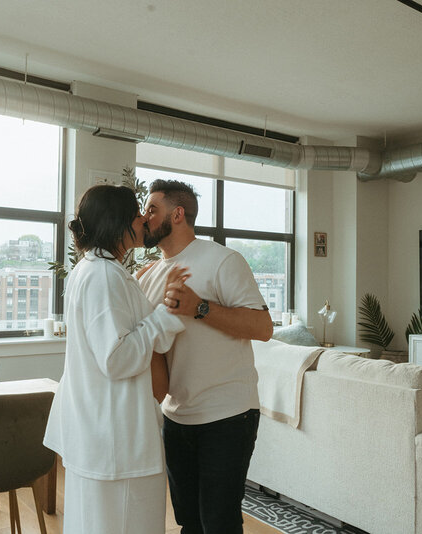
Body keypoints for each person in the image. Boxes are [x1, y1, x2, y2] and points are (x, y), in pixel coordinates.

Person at [43, 184, 189, 534]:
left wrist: (162, 311)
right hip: (114, 438)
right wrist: (166, 314)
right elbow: (117, 358)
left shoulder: (96, 270)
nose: (143, 220)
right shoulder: (104, 276)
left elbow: (133, 334)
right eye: (136, 214)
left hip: (101, 432)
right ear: (116, 222)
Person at [137, 179, 273, 534]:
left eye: (152, 209)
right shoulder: (147, 276)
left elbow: (263, 327)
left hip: (228, 414)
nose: (145, 217)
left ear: (177, 214)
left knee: (219, 523)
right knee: (190, 523)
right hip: (176, 416)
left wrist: (199, 307)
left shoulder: (223, 260)